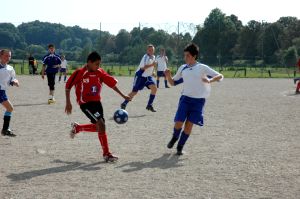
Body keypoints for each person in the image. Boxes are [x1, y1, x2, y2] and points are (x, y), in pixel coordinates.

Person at [65, 51, 131, 162]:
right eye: (96, 64)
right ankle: (107, 154)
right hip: (85, 103)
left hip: (97, 103)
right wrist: (68, 102)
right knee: (101, 124)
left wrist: (123, 95)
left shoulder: (100, 72)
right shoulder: (80, 73)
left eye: (99, 64)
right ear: (89, 62)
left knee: (100, 126)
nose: (98, 66)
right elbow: (68, 87)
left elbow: (112, 84)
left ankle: (78, 128)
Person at [164, 43, 223, 155]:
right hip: (185, 99)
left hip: (198, 102)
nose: (185, 58)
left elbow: (220, 76)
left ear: (194, 56)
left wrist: (210, 80)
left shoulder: (202, 67)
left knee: (189, 125)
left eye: (188, 55)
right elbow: (173, 82)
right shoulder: (183, 68)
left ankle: (180, 147)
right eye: (184, 55)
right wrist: (168, 75)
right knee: (179, 122)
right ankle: (174, 137)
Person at [121, 44, 158, 112]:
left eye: (152, 50)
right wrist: (153, 65)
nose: (151, 51)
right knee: (134, 92)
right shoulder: (145, 57)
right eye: (149, 50)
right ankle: (124, 103)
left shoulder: (153, 57)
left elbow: (152, 67)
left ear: (154, 51)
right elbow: (143, 68)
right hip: (140, 75)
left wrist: (153, 72)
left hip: (148, 77)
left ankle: (149, 105)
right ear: (147, 51)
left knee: (154, 88)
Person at [0, 49, 19, 137]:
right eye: (6, 55)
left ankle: (5, 129)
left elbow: (12, 79)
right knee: (10, 108)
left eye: (9, 56)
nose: (8, 57)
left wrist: (15, 82)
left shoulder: (10, 68)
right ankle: (5, 129)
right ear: (1, 56)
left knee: (10, 108)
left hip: (2, 91)